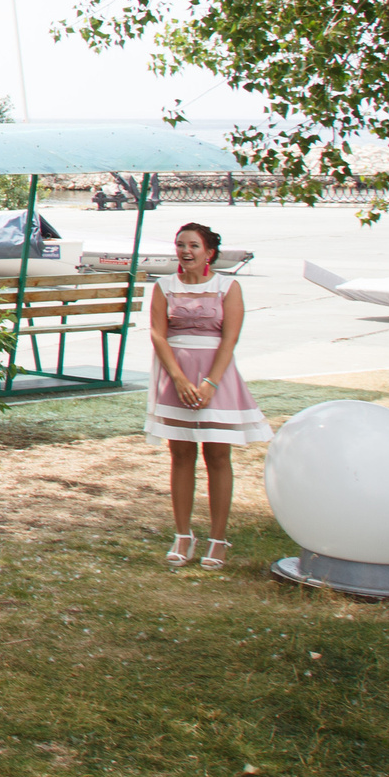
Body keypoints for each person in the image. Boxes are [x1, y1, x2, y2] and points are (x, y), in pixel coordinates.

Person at [147, 222, 271, 569]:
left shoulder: (228, 287)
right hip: (175, 378)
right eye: (180, 245)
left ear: (209, 252)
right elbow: (158, 335)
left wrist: (210, 384)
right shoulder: (163, 286)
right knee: (181, 454)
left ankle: (218, 538)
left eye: (193, 246)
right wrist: (179, 379)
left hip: (216, 377)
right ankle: (183, 535)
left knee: (217, 456)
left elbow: (230, 339)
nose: (185, 251)